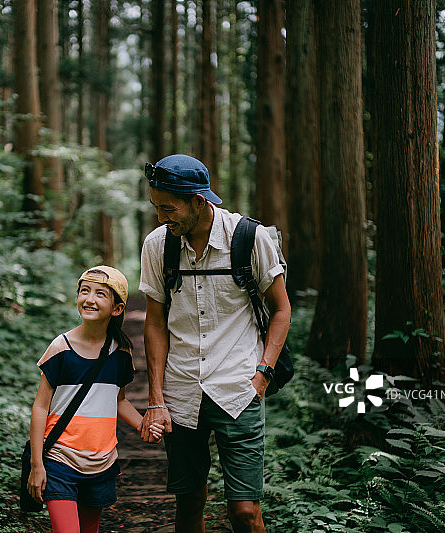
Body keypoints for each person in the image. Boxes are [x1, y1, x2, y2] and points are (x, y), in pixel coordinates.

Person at [138, 154, 291, 533]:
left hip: (238, 390)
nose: (161, 218)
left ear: (199, 201)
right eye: (156, 207)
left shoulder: (249, 238)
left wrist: (262, 375)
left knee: (244, 512)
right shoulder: (159, 245)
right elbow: (155, 323)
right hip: (182, 390)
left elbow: (281, 310)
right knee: (189, 505)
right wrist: (156, 399)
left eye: (168, 208)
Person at [28, 265, 164, 533]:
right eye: (84, 291)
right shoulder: (61, 348)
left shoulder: (121, 352)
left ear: (117, 308)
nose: (89, 299)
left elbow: (119, 400)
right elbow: (40, 405)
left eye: (101, 293)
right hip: (60, 459)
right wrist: (37, 464)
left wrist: (142, 426)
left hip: (102, 462)